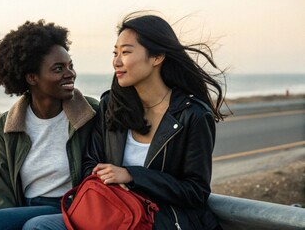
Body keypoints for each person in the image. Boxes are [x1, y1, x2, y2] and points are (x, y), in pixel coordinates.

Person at [24, 11, 226, 229]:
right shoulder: (111, 105)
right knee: (38, 226)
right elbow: (90, 164)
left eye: (126, 52)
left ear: (157, 57)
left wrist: (132, 176)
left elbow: (196, 191)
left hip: (159, 220)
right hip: (111, 212)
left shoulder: (192, 115)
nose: (116, 62)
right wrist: (103, 177)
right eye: (115, 53)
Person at [0, 19, 98, 230]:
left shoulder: (90, 113)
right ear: (32, 77)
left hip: (75, 205)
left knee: (35, 226)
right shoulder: (8, 126)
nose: (70, 74)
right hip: (28, 207)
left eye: (71, 66)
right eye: (58, 68)